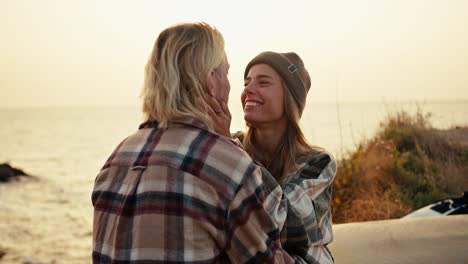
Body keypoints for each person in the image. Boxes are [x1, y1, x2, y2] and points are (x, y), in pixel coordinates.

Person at [92, 22, 318, 263]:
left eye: (262, 83)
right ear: (212, 81)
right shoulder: (228, 166)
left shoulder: (115, 161)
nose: (243, 89)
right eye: (228, 73)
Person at [212, 51, 337, 263]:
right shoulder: (231, 145)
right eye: (246, 82)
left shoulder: (318, 162)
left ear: (290, 97)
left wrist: (230, 148)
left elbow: (286, 223)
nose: (248, 90)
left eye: (263, 83)